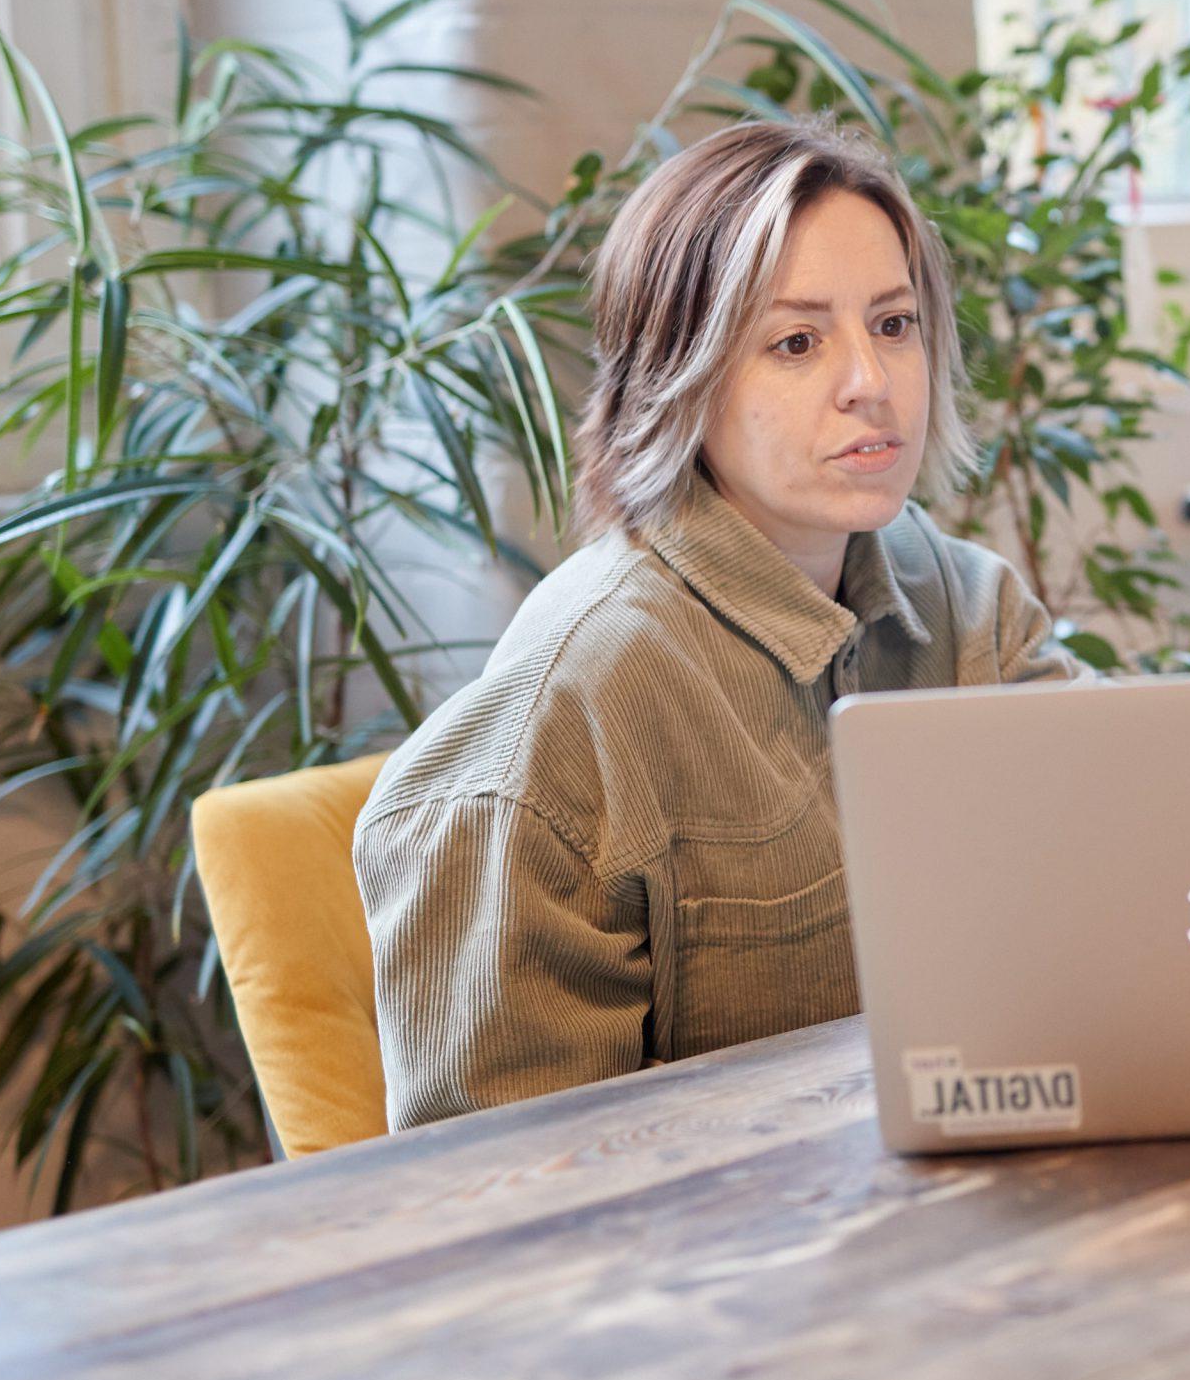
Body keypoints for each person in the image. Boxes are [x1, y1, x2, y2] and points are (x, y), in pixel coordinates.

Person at [354, 121, 1084, 1130]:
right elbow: (507, 1191)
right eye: (795, 342)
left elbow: (1119, 915)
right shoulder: (567, 714)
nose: (870, 381)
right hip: (710, 1271)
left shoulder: (972, 610)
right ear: (677, 383)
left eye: (894, 323)